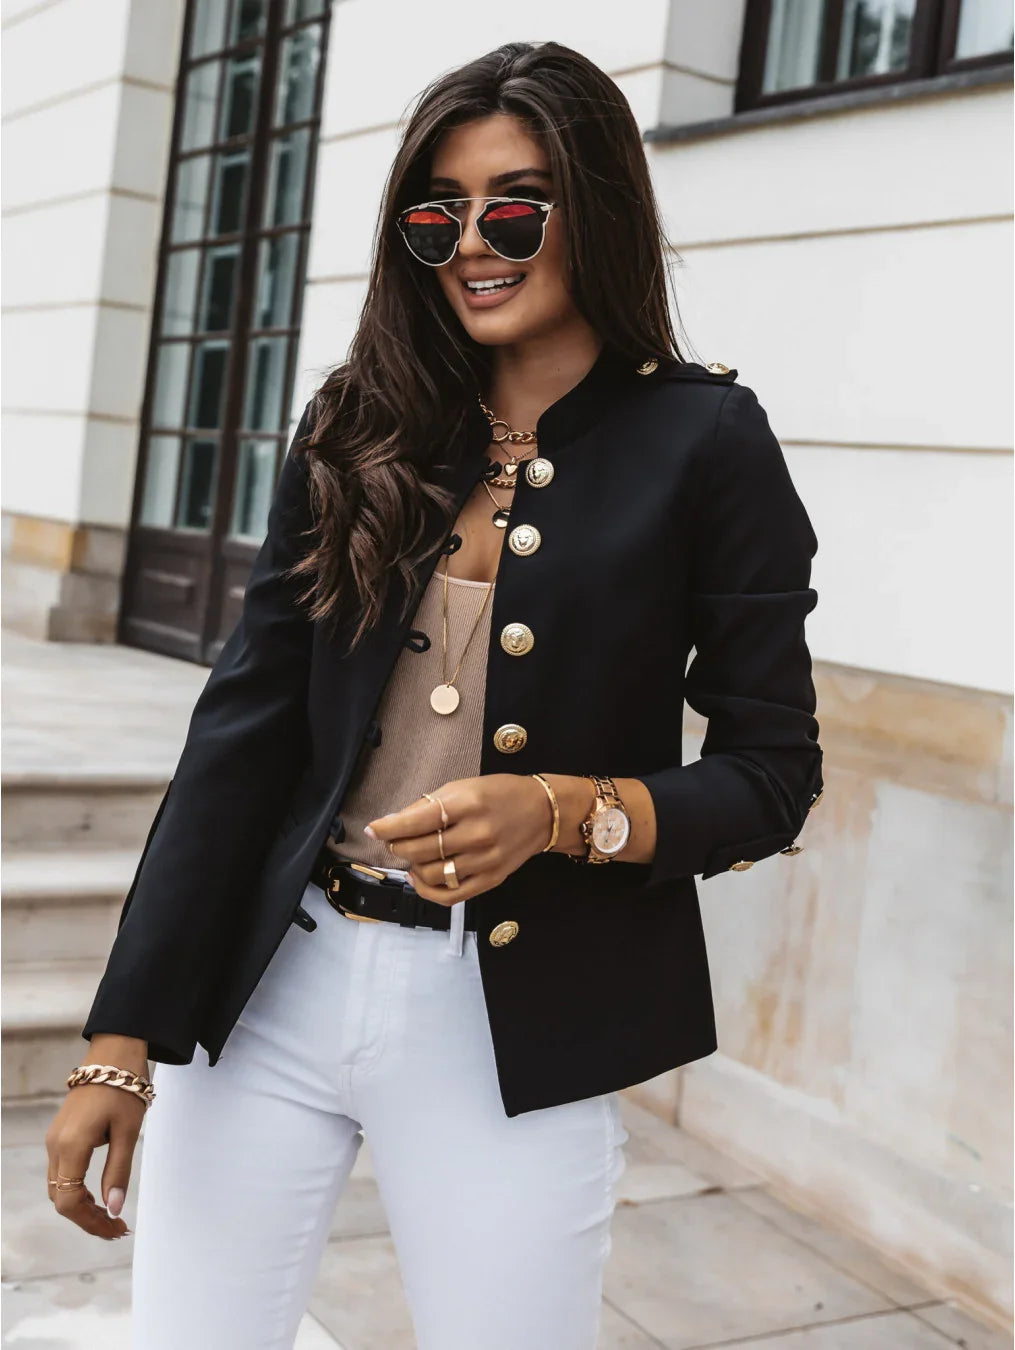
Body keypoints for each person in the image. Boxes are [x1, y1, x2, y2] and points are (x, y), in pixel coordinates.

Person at [44, 39, 824, 1350]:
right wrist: (122, 1036)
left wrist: (564, 809)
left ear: (597, 209)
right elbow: (241, 734)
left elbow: (774, 769)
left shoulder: (706, 441)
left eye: (514, 204)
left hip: (511, 1020)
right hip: (279, 982)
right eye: (437, 213)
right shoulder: (359, 420)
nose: (474, 239)